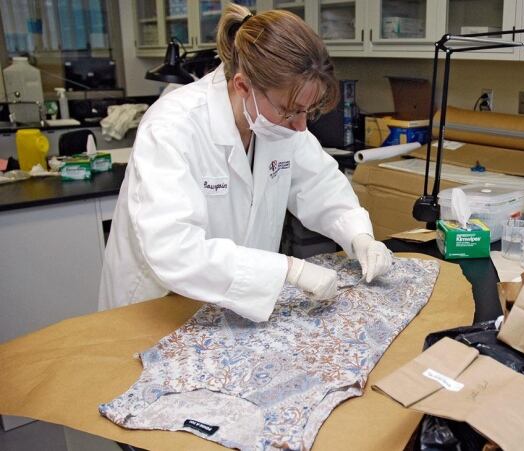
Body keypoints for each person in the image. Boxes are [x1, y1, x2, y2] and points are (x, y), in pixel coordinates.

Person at [98, 4, 392, 322]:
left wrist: (359, 236)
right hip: (157, 304)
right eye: (290, 110)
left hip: (231, 305)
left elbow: (320, 184)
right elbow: (174, 248)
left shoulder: (282, 125)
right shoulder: (173, 126)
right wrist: (289, 270)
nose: (301, 126)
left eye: (308, 110)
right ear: (242, 86)